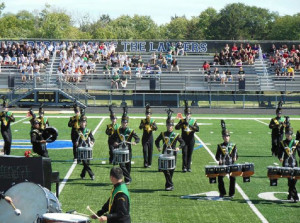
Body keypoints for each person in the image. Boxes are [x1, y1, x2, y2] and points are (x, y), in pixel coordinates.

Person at [155, 109, 185, 191]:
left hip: (173, 155)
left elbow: (183, 143)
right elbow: (156, 141)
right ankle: (171, 185)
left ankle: (168, 186)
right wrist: (158, 147)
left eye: (171, 126)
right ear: (166, 126)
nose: (169, 127)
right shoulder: (163, 134)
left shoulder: (176, 135)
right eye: (168, 126)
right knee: (165, 170)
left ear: (172, 126)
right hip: (165, 155)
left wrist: (179, 147)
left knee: (171, 171)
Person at [112, 105, 140, 184]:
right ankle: (128, 177)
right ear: (121, 123)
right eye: (123, 122)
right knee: (122, 165)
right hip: (121, 150)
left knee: (128, 165)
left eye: (125, 122)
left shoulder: (131, 131)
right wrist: (115, 142)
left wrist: (135, 142)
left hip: (128, 150)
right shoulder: (117, 130)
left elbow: (137, 138)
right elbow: (112, 138)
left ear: (127, 123)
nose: (124, 124)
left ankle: (127, 179)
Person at [278, 124, 300, 202]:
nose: (287, 135)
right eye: (286, 134)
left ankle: (290, 195)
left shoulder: (296, 142)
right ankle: (295, 196)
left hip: (294, 164)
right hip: (286, 164)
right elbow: (280, 152)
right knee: (290, 180)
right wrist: (280, 157)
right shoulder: (282, 143)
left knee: (293, 180)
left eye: (289, 134)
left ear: (291, 134)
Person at [215, 120, 238, 198]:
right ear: (223, 137)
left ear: (229, 137)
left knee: (233, 178)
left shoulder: (233, 145)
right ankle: (222, 192)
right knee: (220, 178)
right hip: (223, 165)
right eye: (225, 136)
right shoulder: (220, 146)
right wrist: (219, 159)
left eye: (227, 136)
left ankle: (231, 193)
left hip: (231, 165)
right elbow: (216, 157)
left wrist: (235, 157)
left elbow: (236, 155)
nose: (226, 138)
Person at [175, 101, 199, 172]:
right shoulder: (182, 120)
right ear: (185, 114)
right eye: (187, 113)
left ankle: (189, 167)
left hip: (191, 139)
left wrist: (190, 125)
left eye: (189, 114)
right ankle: (184, 167)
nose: (188, 115)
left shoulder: (193, 121)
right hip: (184, 139)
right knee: (184, 153)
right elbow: (176, 127)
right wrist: (182, 123)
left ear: (190, 114)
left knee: (189, 153)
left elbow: (197, 129)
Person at [139, 104, 157, 168]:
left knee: (150, 150)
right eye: (147, 114)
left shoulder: (153, 121)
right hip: (144, 138)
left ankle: (149, 163)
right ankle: (145, 163)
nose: (148, 115)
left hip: (150, 137)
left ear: (150, 114)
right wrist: (144, 124)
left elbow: (156, 128)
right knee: (145, 150)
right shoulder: (143, 121)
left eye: (149, 114)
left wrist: (151, 124)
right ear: (145, 114)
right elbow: (140, 127)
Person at [77, 115, 95, 180]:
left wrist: (92, 141)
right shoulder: (77, 131)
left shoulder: (88, 130)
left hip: (87, 148)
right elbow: (74, 139)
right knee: (84, 162)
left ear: (86, 123)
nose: (83, 123)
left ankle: (82, 175)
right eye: (81, 122)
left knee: (87, 163)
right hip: (81, 149)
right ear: (80, 123)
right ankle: (92, 175)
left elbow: (92, 138)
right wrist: (76, 143)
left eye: (84, 122)